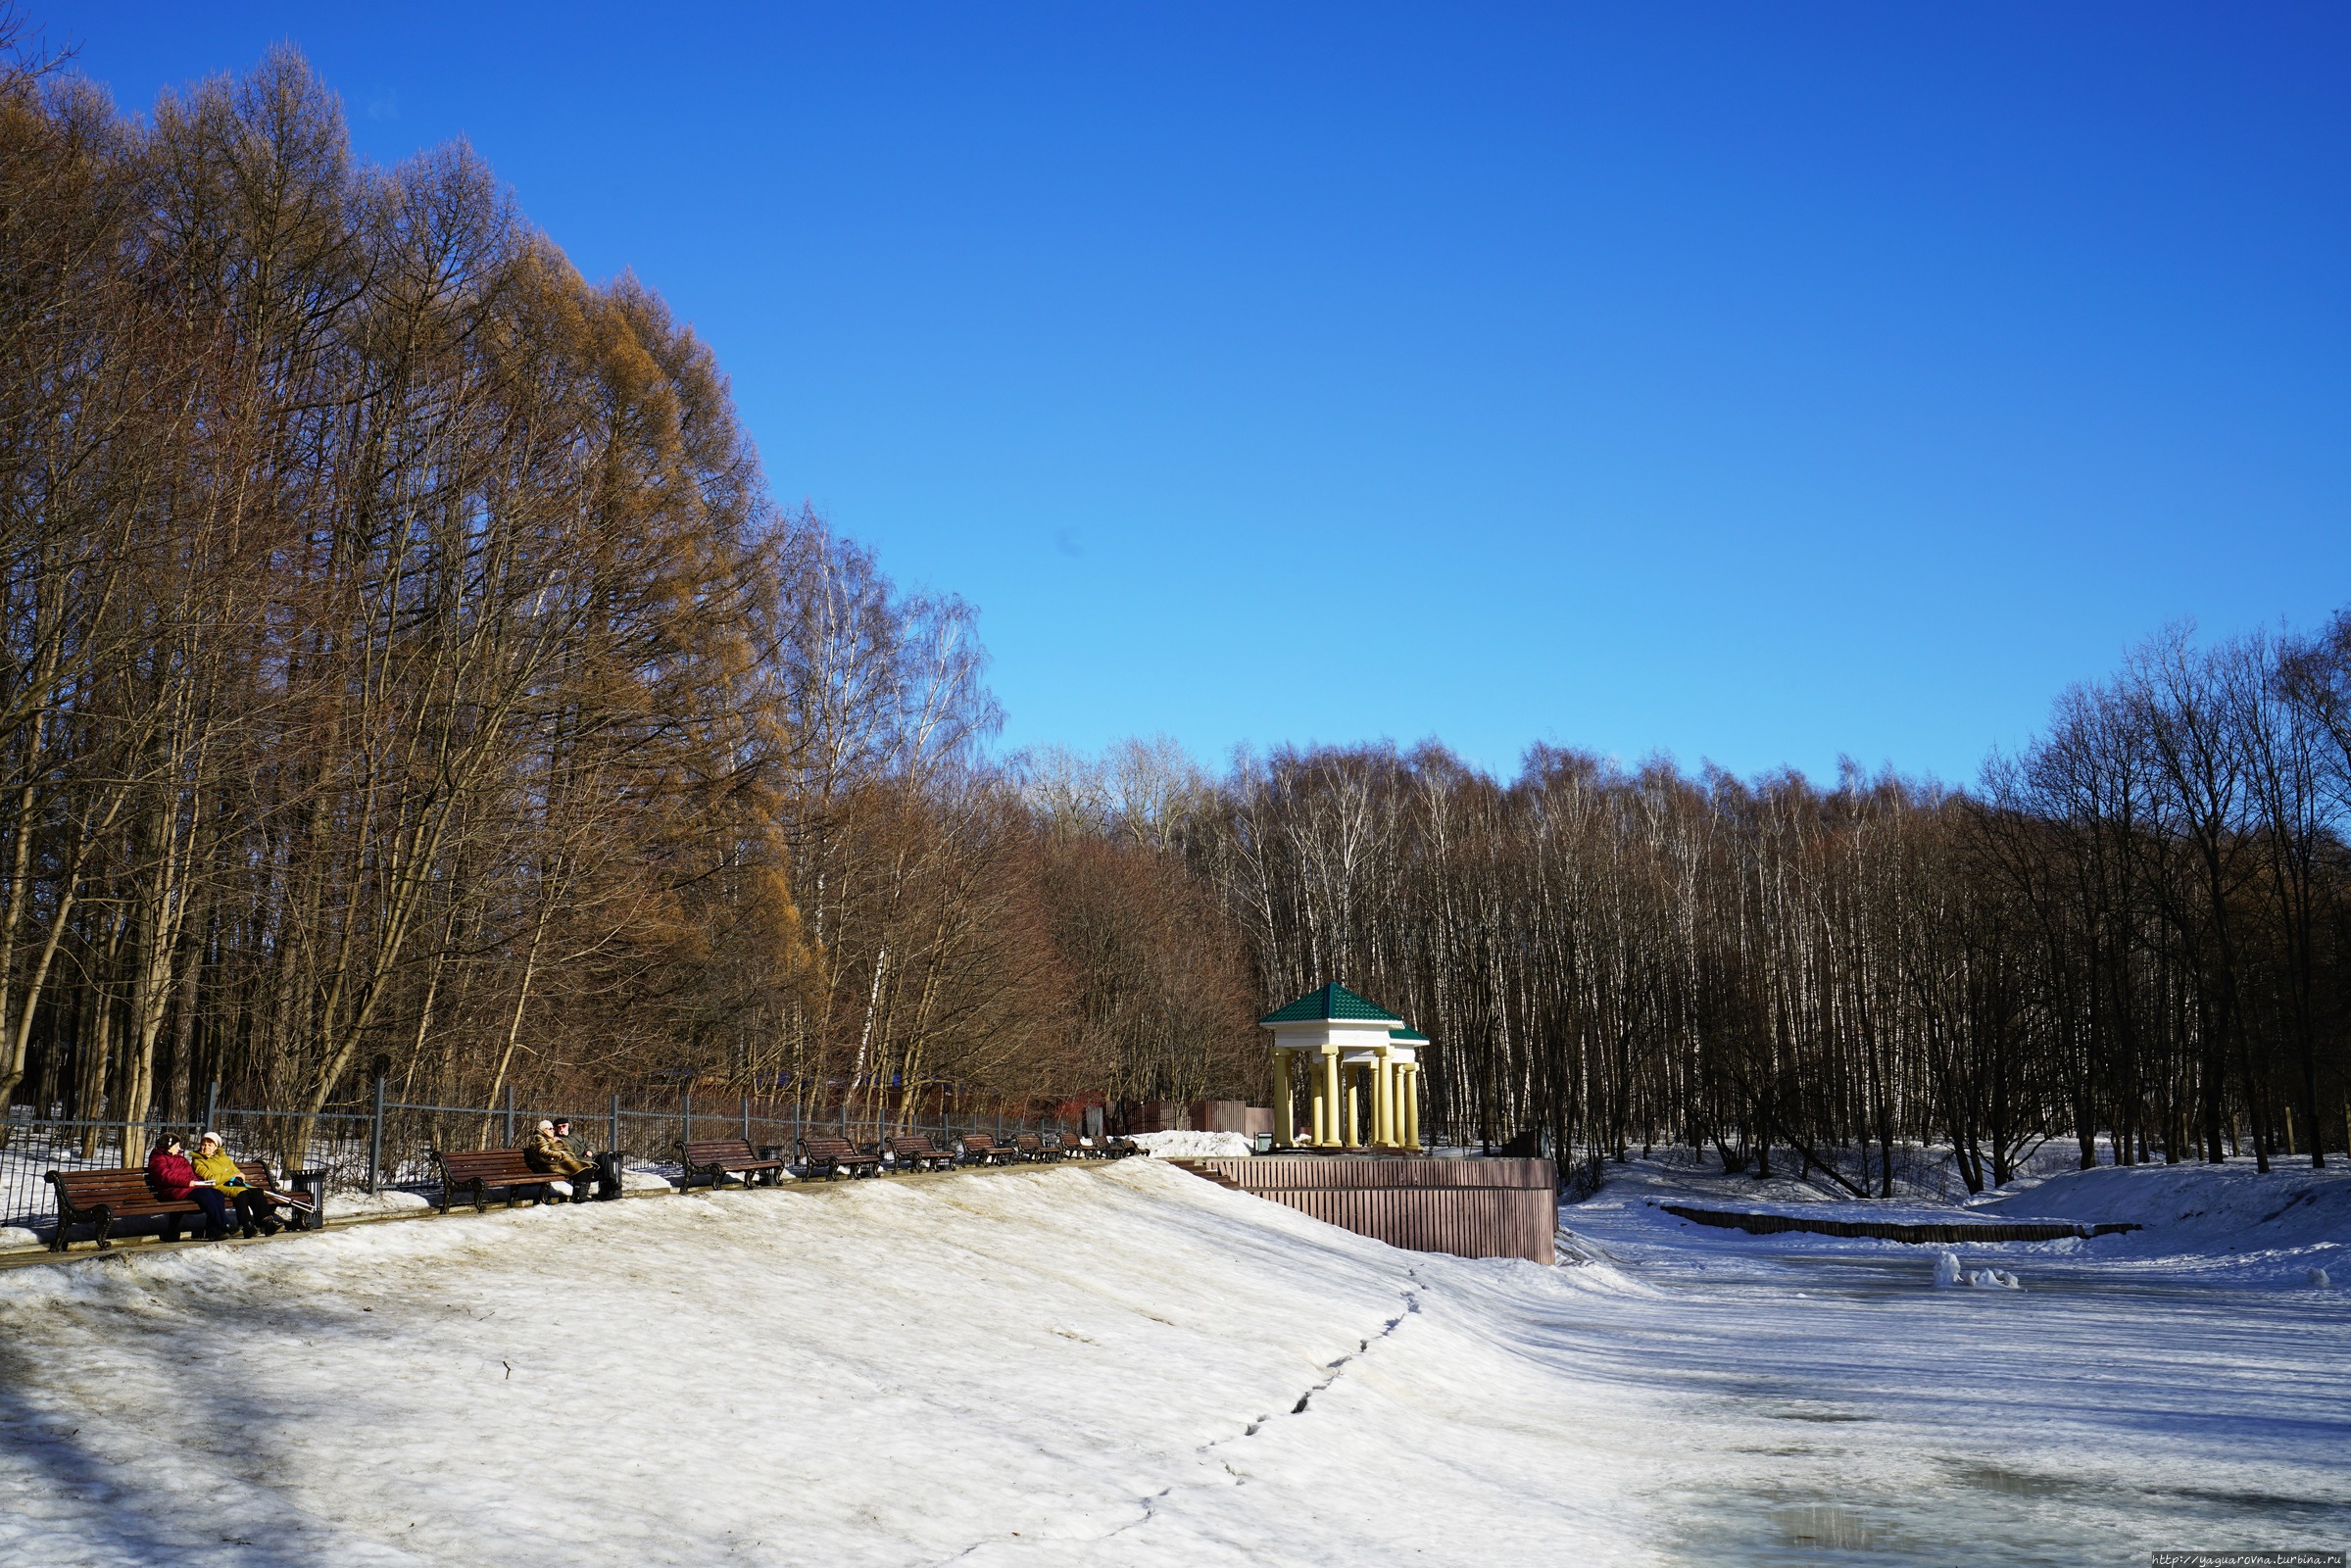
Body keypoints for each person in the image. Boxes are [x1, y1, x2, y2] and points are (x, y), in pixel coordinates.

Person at [189, 1131, 283, 1239]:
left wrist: (239, 1176)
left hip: (233, 1183)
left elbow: (237, 1172)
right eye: (203, 1144)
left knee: (257, 1192)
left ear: (216, 1146)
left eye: (209, 1145)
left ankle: (267, 1223)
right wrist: (230, 1176)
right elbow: (211, 1178)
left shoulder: (224, 1158)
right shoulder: (198, 1161)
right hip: (217, 1186)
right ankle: (247, 1225)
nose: (206, 1147)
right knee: (241, 1193)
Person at [145, 1133, 231, 1241]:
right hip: (172, 1190)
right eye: (176, 1146)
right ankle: (224, 1223)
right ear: (168, 1146)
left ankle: (214, 1230)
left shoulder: (180, 1159)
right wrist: (188, 1182)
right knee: (204, 1194)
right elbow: (165, 1175)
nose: (179, 1148)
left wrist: (202, 1183)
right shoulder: (158, 1158)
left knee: (217, 1193)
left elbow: (191, 1175)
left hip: (186, 1188)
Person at [522, 1118, 593, 1200]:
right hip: (549, 1165)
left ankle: (580, 1195)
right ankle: (579, 1196)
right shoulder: (539, 1138)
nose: (553, 1130)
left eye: (553, 1128)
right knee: (583, 1168)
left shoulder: (548, 1138)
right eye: (550, 1129)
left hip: (557, 1163)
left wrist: (558, 1142)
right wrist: (560, 1155)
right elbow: (543, 1152)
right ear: (543, 1130)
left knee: (587, 1167)